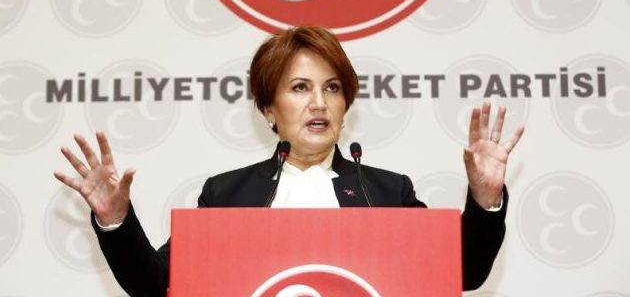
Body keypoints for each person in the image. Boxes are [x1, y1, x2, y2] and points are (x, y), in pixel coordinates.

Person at [54, 25, 524, 296]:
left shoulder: (385, 190)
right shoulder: (228, 194)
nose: (319, 102)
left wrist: (485, 200)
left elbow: (462, 272)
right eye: (300, 88)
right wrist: (115, 219)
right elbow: (158, 285)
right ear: (268, 108)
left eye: (332, 88)